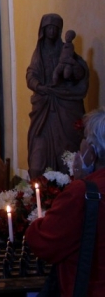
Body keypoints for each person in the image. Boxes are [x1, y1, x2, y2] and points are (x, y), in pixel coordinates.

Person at [25, 107, 105, 296]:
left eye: (83, 140)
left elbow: (43, 243)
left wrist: (80, 181)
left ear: (92, 152)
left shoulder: (82, 193)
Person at [26, 13, 89, 180]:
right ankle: (39, 194)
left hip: (64, 109)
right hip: (44, 110)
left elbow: (80, 73)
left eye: (55, 28)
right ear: (43, 30)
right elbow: (31, 74)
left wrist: (74, 67)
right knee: (37, 161)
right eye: (49, 28)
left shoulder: (66, 50)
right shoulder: (39, 53)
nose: (52, 31)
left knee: (67, 152)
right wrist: (40, 87)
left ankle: (65, 190)